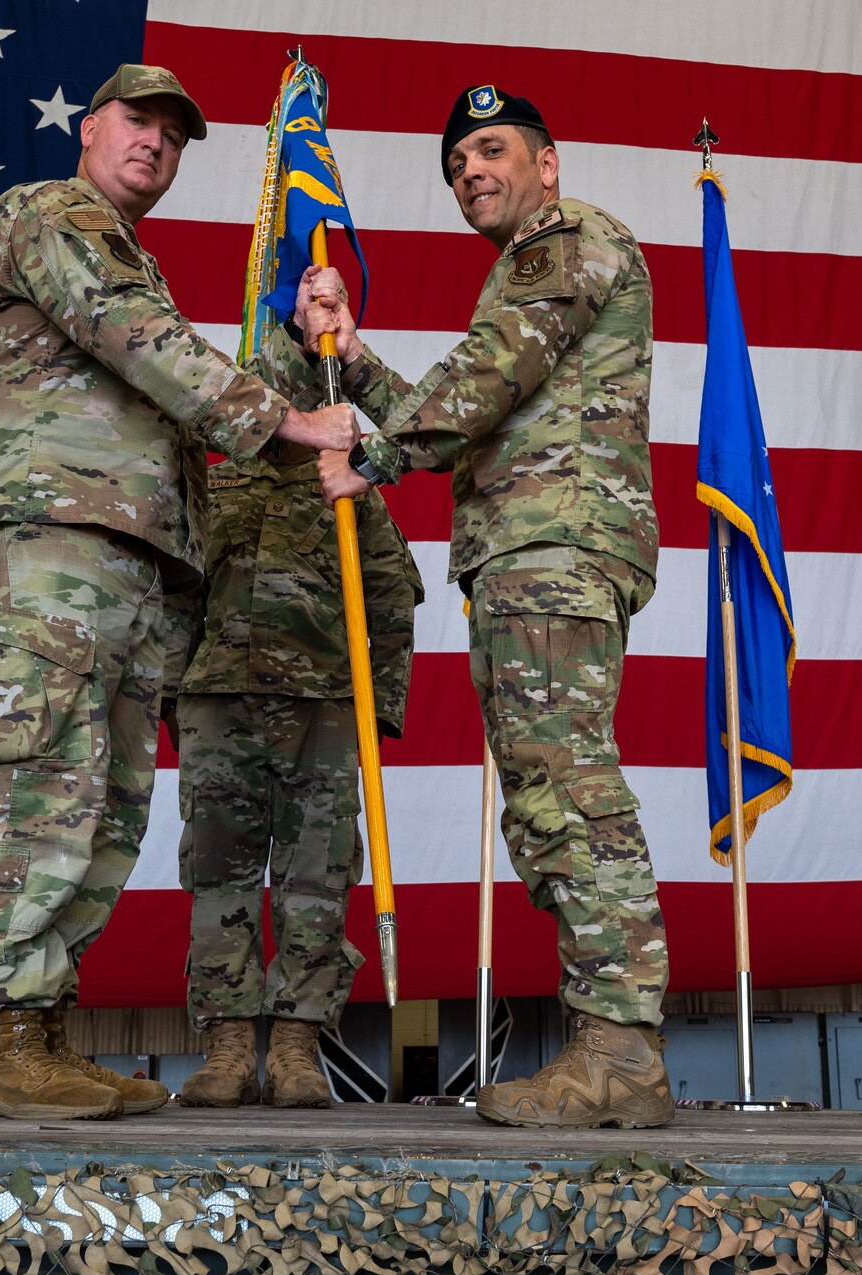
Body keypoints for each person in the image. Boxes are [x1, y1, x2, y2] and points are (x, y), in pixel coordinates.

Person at [0, 64, 360, 1122]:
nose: (155, 145)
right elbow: (141, 344)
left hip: (130, 566)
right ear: (89, 127)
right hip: (50, 548)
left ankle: (37, 1032)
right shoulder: (50, 215)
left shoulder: (134, 258)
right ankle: (2, 1035)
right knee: (42, 782)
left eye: (174, 137)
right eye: (138, 123)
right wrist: (299, 423)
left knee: (105, 804)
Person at [300, 86, 672, 1129]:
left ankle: (619, 1054)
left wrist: (371, 459)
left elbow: (486, 379)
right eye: (456, 159)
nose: (470, 169)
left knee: (568, 793)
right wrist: (354, 355)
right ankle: (612, 1050)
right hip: (523, 551)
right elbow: (469, 407)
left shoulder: (566, 241)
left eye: (492, 149)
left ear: (546, 164)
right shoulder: (521, 272)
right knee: (546, 796)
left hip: (555, 547)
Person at [171, 327, 423, 1110]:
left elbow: (390, 599)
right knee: (219, 874)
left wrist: (376, 715)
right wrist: (173, 695)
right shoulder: (213, 489)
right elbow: (180, 596)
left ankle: (296, 1044)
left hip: (322, 707)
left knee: (316, 880)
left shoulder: (346, 492)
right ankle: (228, 1044)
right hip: (219, 702)